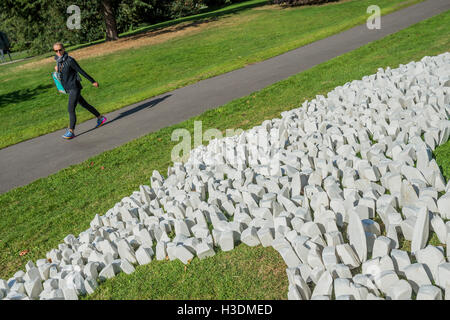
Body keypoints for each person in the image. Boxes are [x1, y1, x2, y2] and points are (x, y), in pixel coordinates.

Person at [53, 42, 106, 139]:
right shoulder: (58, 61)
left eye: (60, 50)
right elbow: (62, 76)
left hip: (75, 87)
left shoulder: (70, 60)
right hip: (69, 88)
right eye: (56, 50)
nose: (58, 52)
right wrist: (57, 72)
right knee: (84, 104)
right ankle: (100, 118)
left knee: (70, 109)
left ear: (64, 49)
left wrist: (92, 81)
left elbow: (81, 71)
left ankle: (71, 131)